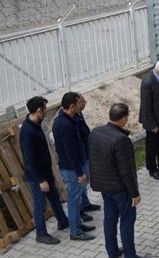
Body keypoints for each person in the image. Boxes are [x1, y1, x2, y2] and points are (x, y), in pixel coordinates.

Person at [89, 103, 152, 258]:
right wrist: (134, 193)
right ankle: (130, 257)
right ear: (123, 119)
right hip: (120, 189)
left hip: (104, 186)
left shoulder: (96, 132)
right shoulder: (121, 140)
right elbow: (126, 171)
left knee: (109, 218)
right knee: (127, 220)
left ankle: (112, 252)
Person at [20, 96, 68, 245]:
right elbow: (29, 160)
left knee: (54, 197)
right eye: (45, 111)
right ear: (39, 111)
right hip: (37, 177)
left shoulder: (35, 125)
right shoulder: (28, 132)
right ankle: (41, 234)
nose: (46, 113)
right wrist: (41, 180)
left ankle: (63, 221)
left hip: (45, 172)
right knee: (40, 205)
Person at [52, 92, 95, 241]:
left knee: (76, 199)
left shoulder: (63, 120)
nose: (81, 105)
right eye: (78, 103)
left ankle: (78, 223)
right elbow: (70, 152)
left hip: (72, 167)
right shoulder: (65, 125)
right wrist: (79, 173)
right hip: (72, 170)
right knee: (74, 200)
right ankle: (75, 232)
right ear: (72, 106)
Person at [73, 94, 101, 221]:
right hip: (79, 156)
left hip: (85, 152)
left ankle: (85, 203)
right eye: (82, 101)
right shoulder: (71, 118)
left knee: (84, 184)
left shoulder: (79, 114)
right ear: (75, 103)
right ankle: (80, 210)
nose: (84, 103)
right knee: (79, 186)